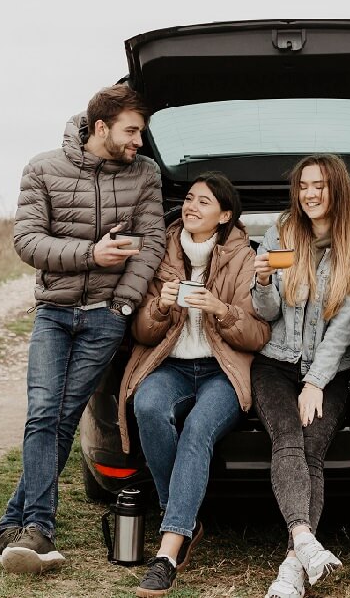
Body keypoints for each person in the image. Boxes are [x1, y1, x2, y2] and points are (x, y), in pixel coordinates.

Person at [0, 84, 165, 574]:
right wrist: (92, 254)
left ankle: (18, 527)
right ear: (101, 127)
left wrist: (124, 306)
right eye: (132, 131)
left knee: (60, 416)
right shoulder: (43, 168)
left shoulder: (145, 173)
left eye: (142, 133)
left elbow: (151, 243)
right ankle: (36, 528)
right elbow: (27, 242)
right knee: (46, 414)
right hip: (54, 312)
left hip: (107, 316)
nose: (139, 142)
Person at [117, 172, 271, 597]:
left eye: (204, 202)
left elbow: (258, 335)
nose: (191, 206)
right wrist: (160, 308)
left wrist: (221, 310)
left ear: (224, 216)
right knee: (146, 406)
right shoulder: (160, 252)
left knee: (199, 427)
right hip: (170, 366)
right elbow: (143, 334)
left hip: (222, 369)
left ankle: (167, 552)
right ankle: (183, 518)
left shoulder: (244, 258)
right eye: (188, 198)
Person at [251, 153, 350, 598]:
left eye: (319, 185)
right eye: (303, 186)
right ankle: (304, 541)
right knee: (286, 436)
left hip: (330, 371)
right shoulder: (281, 233)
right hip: (275, 363)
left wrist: (316, 382)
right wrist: (262, 283)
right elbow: (264, 315)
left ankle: (291, 569)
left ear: (337, 189)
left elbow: (344, 327)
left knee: (312, 449)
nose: (310, 194)